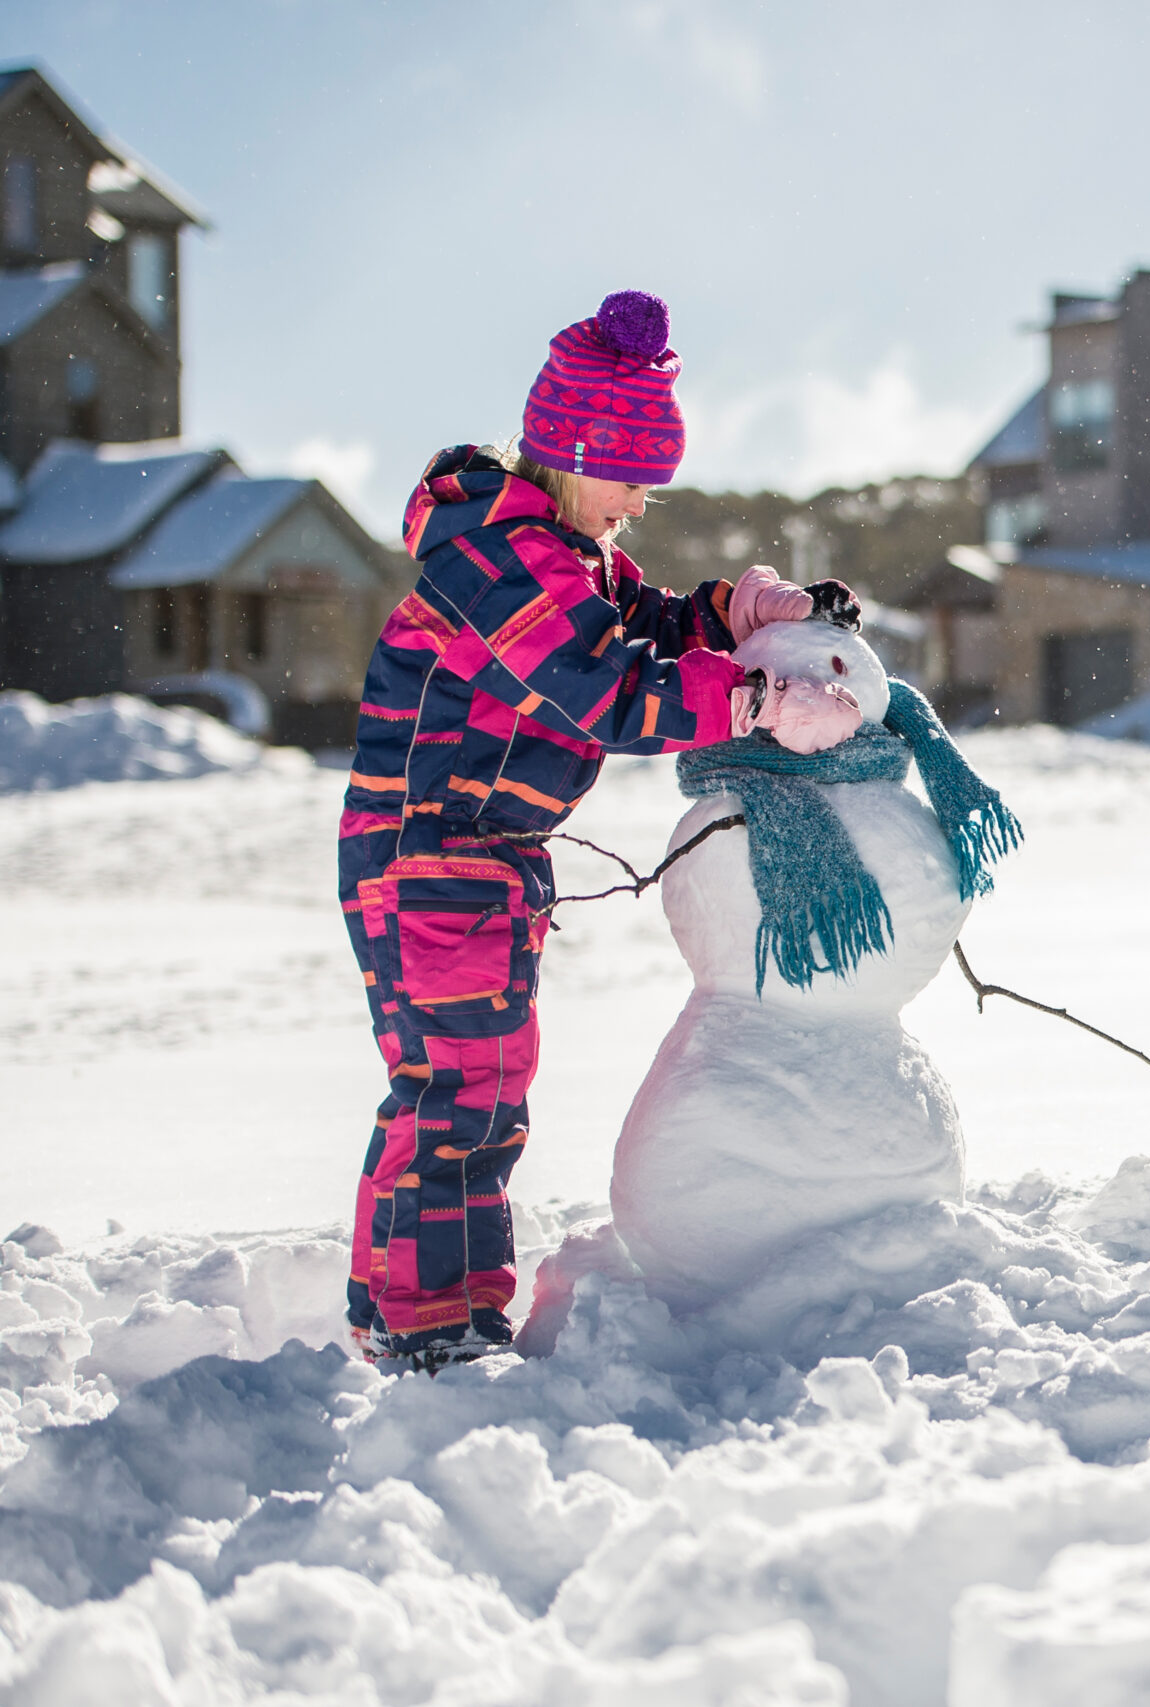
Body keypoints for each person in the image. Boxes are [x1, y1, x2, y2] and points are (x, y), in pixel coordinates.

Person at [337, 290, 864, 1369]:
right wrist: (755, 704)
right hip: (429, 856)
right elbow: (602, 686)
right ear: (575, 455)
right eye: (629, 480)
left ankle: (421, 1309)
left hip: (478, 860)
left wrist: (734, 616)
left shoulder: (562, 555)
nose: (638, 506)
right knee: (456, 1090)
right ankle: (426, 1327)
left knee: (478, 1086)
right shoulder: (498, 558)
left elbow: (641, 624)